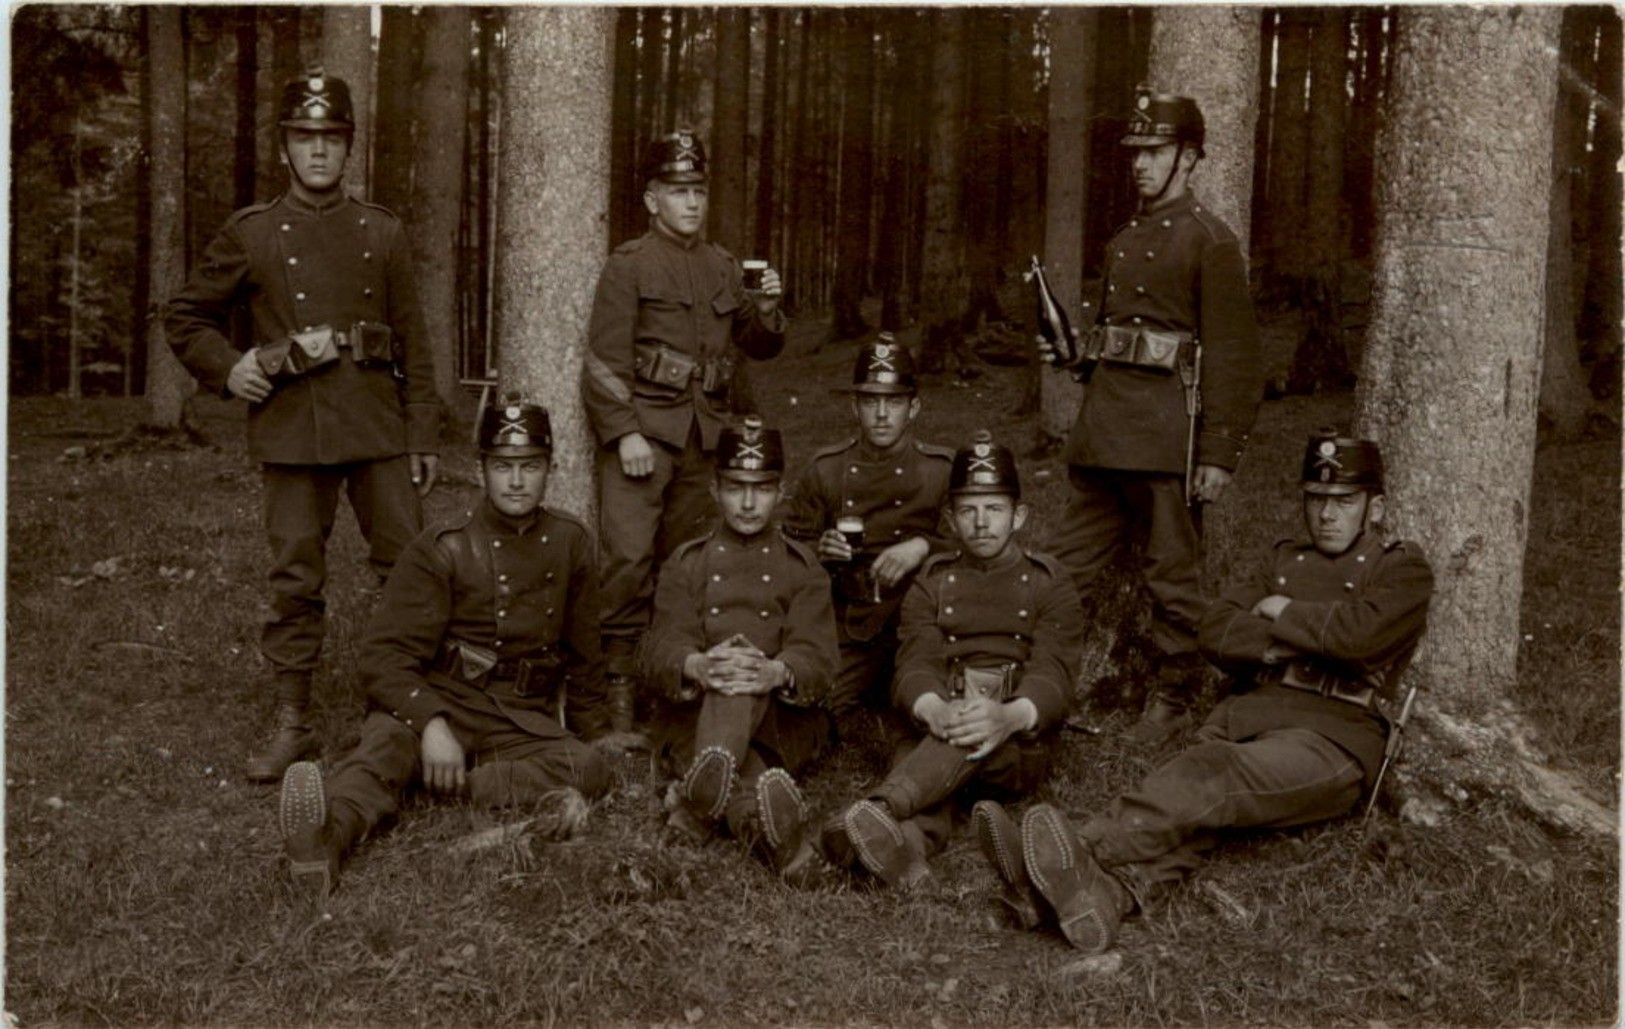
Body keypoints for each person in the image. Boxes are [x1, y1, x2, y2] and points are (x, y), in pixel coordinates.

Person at [978, 432, 1433, 952]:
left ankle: (1076, 851)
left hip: (1332, 735)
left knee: (1214, 774)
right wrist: (1292, 644)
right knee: (1203, 814)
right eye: (1316, 499)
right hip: (1254, 713)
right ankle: (1100, 897)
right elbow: (1216, 630)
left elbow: (1361, 637)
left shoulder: (1401, 569)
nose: (1327, 514)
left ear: (1376, 509)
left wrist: (1282, 610)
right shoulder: (1283, 560)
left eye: (1345, 501)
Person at [165, 67, 442, 782]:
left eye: (332, 137)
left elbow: (414, 340)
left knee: (408, 566)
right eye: (304, 136)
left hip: (376, 426)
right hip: (293, 427)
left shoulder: (381, 230)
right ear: (284, 147)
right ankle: (294, 718)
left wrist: (420, 433)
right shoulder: (254, 233)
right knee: (295, 575)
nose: (318, 150)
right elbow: (186, 316)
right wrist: (229, 368)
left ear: (349, 147)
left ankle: (408, 705)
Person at [278, 397, 612, 897]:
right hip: (440, 699)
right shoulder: (442, 547)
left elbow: (585, 657)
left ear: (550, 469)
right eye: (502, 466)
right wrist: (432, 724)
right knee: (383, 751)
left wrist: (596, 736)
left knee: (588, 767)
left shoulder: (572, 543)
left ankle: (461, 784)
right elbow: (382, 658)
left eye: (530, 466)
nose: (516, 481)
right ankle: (322, 841)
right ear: (481, 471)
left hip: (517, 719)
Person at [1040, 85, 1263, 744]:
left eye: (1155, 151)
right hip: (1105, 432)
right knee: (1065, 567)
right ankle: (1044, 678)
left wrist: (1218, 454)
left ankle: (1173, 695)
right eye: (1135, 151)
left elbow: (1235, 357)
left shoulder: (1209, 242)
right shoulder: (1124, 237)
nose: (1139, 163)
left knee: (1172, 576)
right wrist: (1076, 354)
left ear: (1188, 158)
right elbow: (1125, 337)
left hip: (1167, 438)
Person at [809, 431, 1085, 890]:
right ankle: (907, 856)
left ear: (1018, 516)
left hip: (1013, 743)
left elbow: (1054, 670)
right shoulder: (932, 581)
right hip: (935, 726)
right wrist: (933, 707)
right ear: (952, 520)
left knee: (957, 743)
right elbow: (915, 660)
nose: (982, 522)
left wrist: (1009, 716)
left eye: (994, 509)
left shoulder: (1049, 582)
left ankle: (878, 809)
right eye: (968, 511)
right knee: (945, 753)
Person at [583, 129, 788, 739]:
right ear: (652, 200)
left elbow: (758, 344)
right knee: (627, 562)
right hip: (647, 436)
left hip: (707, 439)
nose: (692, 202)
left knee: (688, 564)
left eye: (698, 190)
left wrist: (768, 309)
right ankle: (619, 690)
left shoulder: (721, 266)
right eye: (678, 191)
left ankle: (672, 681)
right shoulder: (629, 265)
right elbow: (603, 362)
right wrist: (624, 434)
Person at [641, 416, 837, 875]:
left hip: (778, 722)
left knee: (742, 672)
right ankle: (771, 835)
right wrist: (698, 665)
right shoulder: (687, 563)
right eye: (735, 488)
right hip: (696, 715)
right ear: (715, 490)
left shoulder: (802, 567)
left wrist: (775, 671)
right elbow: (660, 645)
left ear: (781, 492)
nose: (748, 503)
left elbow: (818, 655)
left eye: (762, 489)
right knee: (732, 675)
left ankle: (694, 810)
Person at [780, 336, 955, 722]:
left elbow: (972, 543)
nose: (882, 414)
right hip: (853, 619)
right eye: (870, 402)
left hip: (922, 619)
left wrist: (922, 546)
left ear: (913, 408)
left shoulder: (941, 470)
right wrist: (820, 549)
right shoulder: (826, 469)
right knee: (816, 705)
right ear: (854, 406)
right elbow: (788, 547)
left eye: (894, 402)